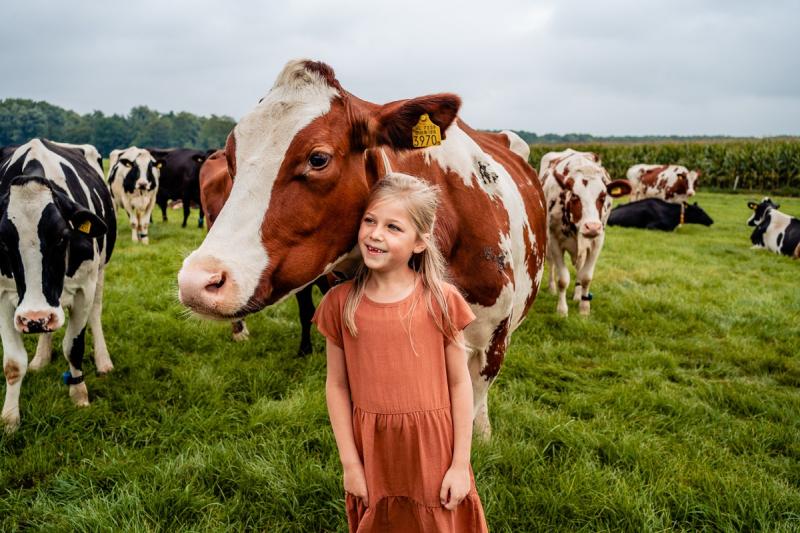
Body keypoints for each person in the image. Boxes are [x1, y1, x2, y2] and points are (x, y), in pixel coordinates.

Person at [313, 173, 489, 532]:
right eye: (370, 221)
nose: (376, 234)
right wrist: (350, 464)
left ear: (420, 243)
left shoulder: (441, 300)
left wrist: (459, 464)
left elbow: (459, 383)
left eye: (393, 227)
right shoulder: (340, 304)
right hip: (375, 453)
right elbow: (337, 386)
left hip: (434, 451)